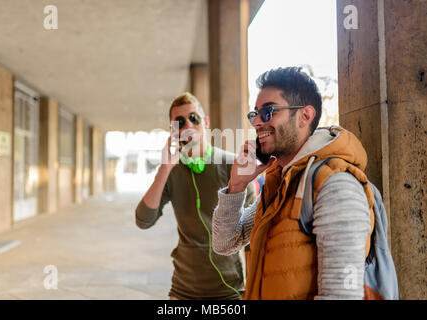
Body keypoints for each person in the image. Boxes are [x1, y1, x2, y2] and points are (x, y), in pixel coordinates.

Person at [212, 67, 375, 300]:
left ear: (305, 116)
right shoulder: (280, 184)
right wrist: (236, 187)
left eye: (268, 111)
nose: (257, 122)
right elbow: (225, 243)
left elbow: (342, 295)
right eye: (254, 114)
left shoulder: (335, 185)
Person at [135, 92, 256, 300]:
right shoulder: (171, 171)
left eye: (194, 118)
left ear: (206, 122)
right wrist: (164, 169)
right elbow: (143, 220)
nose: (188, 126)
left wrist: (253, 290)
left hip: (229, 290)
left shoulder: (232, 165)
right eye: (179, 122)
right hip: (183, 289)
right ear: (173, 131)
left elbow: (254, 234)